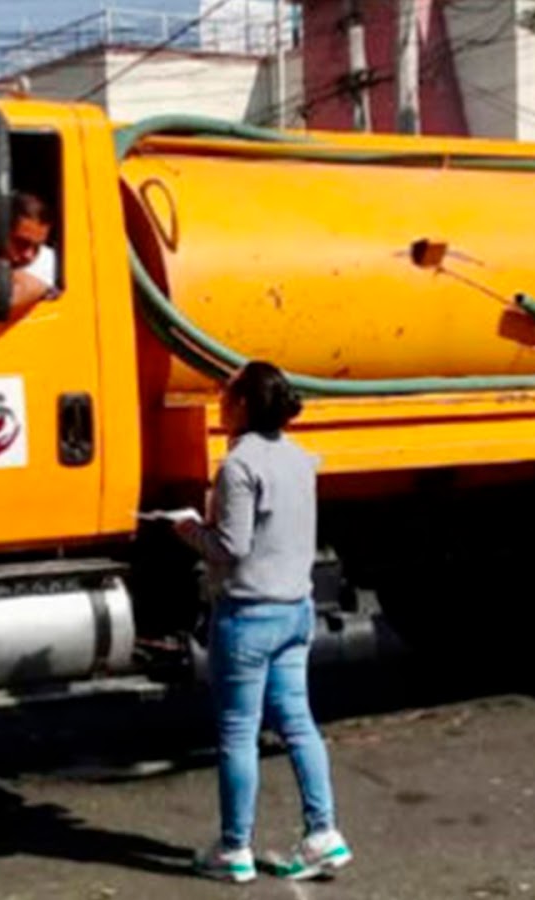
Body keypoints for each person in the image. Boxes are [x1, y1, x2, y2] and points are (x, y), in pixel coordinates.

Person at [172, 362, 352, 883]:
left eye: (227, 394)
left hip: (248, 617)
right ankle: (324, 835)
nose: (220, 401)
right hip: (295, 611)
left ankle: (234, 848)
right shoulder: (300, 460)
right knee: (298, 722)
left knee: (237, 733)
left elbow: (231, 546)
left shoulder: (237, 466)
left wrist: (187, 530)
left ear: (244, 406)